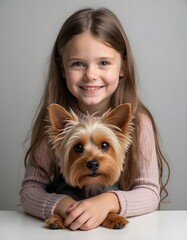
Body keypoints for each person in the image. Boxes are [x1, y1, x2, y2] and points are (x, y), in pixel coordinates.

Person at [20, 8, 170, 231]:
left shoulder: (138, 121)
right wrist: (62, 205)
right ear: (62, 68)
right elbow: (30, 188)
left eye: (103, 63)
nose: (91, 74)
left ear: (123, 67)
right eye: (78, 63)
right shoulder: (54, 122)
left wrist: (108, 202)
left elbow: (149, 191)